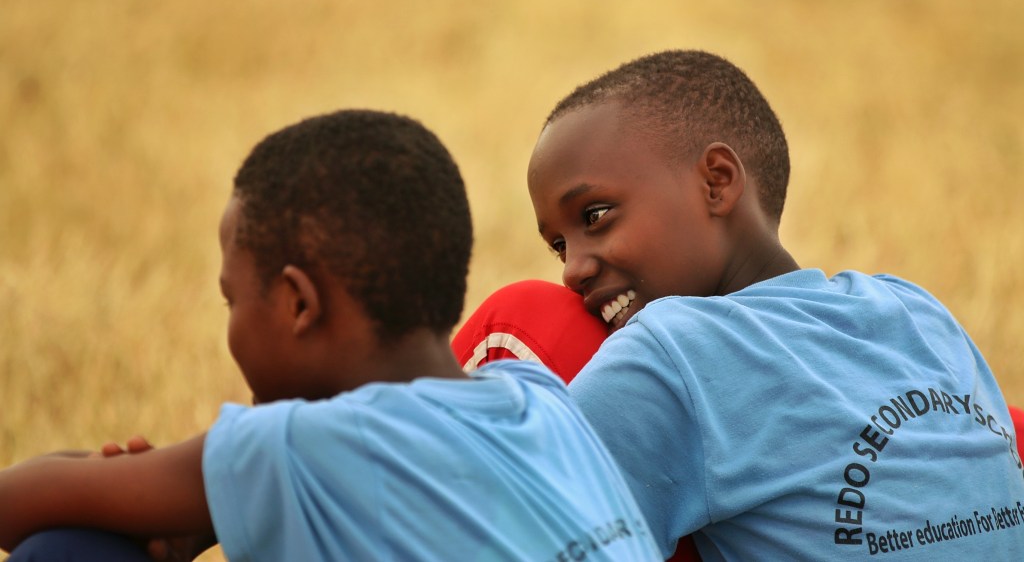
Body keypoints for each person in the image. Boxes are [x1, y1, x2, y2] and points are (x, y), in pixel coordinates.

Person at [0, 109, 663, 561]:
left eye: (232, 299)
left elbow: (21, 501)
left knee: (67, 551)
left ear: (297, 304)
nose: (230, 323)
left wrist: (147, 490)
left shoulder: (309, 445)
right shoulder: (537, 394)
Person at [452, 50, 1024, 560]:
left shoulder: (672, 353)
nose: (572, 268)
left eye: (595, 216)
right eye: (558, 246)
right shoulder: (913, 308)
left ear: (717, 182)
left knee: (521, 317)